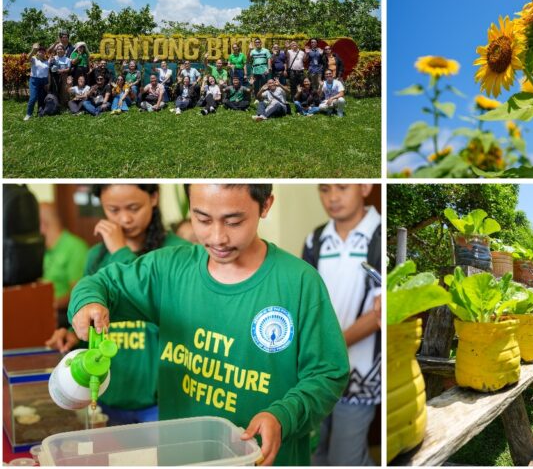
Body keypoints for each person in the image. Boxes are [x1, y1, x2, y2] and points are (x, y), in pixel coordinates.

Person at [66, 184, 349, 465]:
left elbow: (327, 373)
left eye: (234, 221)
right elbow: (102, 283)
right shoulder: (168, 270)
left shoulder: (299, 282)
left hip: (262, 458)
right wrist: (89, 301)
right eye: (202, 219)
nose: (217, 237)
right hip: (184, 458)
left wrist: (284, 415)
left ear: (265, 206)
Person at [47, 184, 190, 426]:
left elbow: (167, 311)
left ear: (154, 198)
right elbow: (91, 316)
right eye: (113, 210)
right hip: (105, 395)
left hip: (158, 401)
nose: (124, 218)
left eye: (134, 208)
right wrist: (74, 335)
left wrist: (120, 250)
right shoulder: (96, 256)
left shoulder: (178, 253)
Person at [303, 184, 381, 467]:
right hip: (316, 373)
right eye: (324, 190)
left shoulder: (379, 236)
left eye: (341, 188)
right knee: (314, 453)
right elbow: (305, 302)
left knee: (345, 458)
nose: (332, 197)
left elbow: (378, 314)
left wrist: (331, 345)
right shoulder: (315, 241)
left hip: (360, 376)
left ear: (365, 187)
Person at [39, 203, 88, 328]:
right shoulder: (39, 248)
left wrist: (46, 305)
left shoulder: (75, 248)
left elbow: (78, 294)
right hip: (43, 311)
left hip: (63, 315)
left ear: (42, 224)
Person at [25, 43, 50, 121]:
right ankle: (28, 114)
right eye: (40, 52)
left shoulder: (46, 62)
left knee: (42, 98)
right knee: (33, 98)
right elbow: (28, 57)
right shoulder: (34, 59)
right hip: (34, 80)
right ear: (37, 53)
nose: (41, 53)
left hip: (44, 81)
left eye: (43, 52)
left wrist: (48, 82)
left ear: (45, 53)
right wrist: (33, 49)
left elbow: (48, 73)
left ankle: (40, 112)